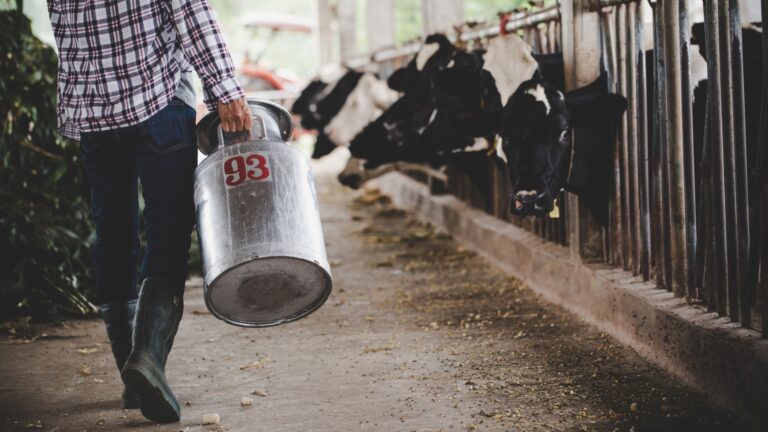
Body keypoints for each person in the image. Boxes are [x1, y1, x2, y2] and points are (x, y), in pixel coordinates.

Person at [46, 0, 251, 423]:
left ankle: (132, 375)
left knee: (114, 233)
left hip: (95, 111)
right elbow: (191, 11)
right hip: (160, 99)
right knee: (170, 228)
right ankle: (148, 359)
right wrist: (225, 90)